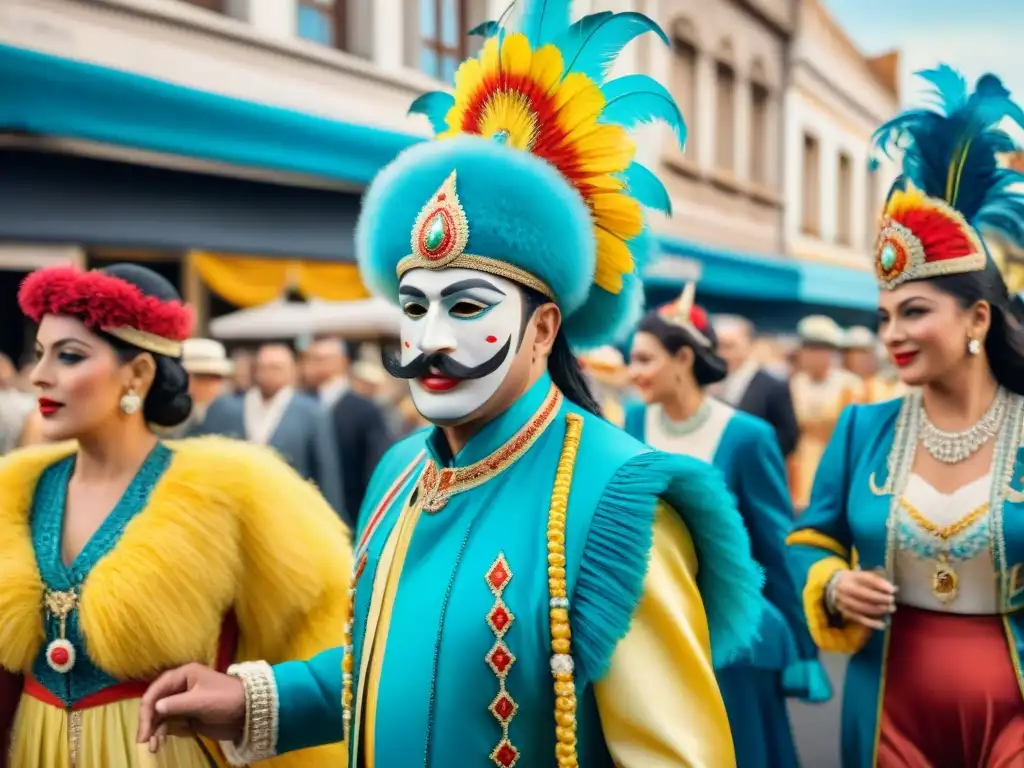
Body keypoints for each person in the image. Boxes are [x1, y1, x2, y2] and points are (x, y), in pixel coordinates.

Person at [136, 4, 765, 766]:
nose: (429, 338)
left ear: (543, 330)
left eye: (467, 307)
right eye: (413, 308)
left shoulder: (617, 505)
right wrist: (250, 700)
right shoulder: (400, 472)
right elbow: (384, 668)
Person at [0, 263, 350, 767]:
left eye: (69, 355)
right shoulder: (19, 490)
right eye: (40, 354)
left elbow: (310, 637)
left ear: (138, 373)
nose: (39, 375)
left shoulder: (233, 493)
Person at [787, 66, 1024, 767]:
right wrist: (831, 584)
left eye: (915, 311)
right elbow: (808, 539)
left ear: (978, 317)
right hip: (888, 707)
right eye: (885, 315)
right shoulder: (865, 429)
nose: (892, 334)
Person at [625, 283, 830, 768]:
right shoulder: (632, 423)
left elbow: (775, 545)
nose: (633, 373)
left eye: (644, 359)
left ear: (683, 359)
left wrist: (803, 645)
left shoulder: (746, 437)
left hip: (731, 640)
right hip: (652, 634)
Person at [202, 341, 347, 518]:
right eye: (264, 367)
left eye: (276, 367)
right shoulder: (231, 408)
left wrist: (331, 517)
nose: (269, 374)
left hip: (291, 512)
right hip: (237, 511)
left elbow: (325, 470)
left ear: (291, 370)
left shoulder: (311, 412)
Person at [304, 337, 393, 525]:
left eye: (320, 359)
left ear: (342, 361)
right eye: (310, 358)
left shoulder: (364, 409)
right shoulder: (302, 406)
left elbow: (375, 465)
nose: (312, 365)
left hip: (353, 513)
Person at [789, 314, 859, 512]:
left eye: (821, 350)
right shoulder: (793, 384)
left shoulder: (850, 385)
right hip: (800, 463)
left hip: (837, 460)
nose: (814, 356)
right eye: (809, 349)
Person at [714, 314, 800, 457]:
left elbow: (788, 436)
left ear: (750, 345)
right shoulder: (710, 382)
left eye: (729, 346)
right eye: (718, 347)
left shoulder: (772, 386)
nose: (723, 354)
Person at [166, 337, 237, 438]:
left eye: (216, 378)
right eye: (201, 377)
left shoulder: (230, 413)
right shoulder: (170, 413)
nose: (211, 385)